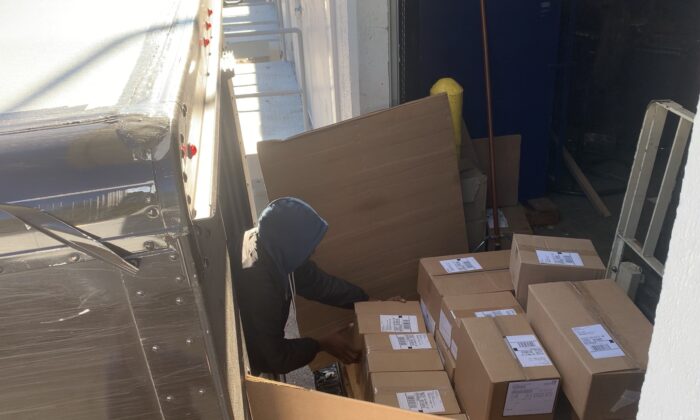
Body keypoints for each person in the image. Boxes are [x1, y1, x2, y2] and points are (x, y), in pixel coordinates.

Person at [237, 197, 369, 375]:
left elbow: (318, 283)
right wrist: (320, 345)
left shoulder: (271, 243)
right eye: (308, 247)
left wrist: (368, 304)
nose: (313, 252)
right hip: (243, 359)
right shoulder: (262, 289)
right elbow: (276, 359)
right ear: (292, 245)